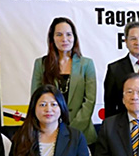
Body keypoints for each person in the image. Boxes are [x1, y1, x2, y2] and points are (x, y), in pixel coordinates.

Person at [31, 17, 97, 145]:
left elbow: (90, 100)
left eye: (68, 34)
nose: (64, 39)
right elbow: (36, 98)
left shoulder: (86, 64)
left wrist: (72, 130)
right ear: (52, 38)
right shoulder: (41, 64)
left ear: (74, 37)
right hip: (49, 133)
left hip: (82, 133)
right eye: (59, 35)